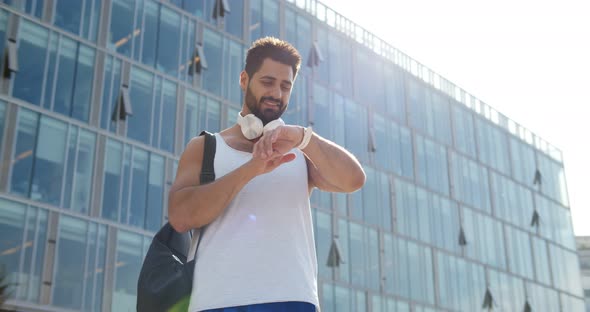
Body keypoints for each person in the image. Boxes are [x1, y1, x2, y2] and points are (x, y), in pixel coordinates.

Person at [168, 37, 366, 312]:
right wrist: (252, 169)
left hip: (293, 300)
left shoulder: (302, 150)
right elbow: (180, 218)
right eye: (268, 82)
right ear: (244, 79)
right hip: (217, 302)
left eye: (286, 86)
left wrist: (304, 139)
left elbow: (354, 180)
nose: (277, 93)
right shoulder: (205, 147)